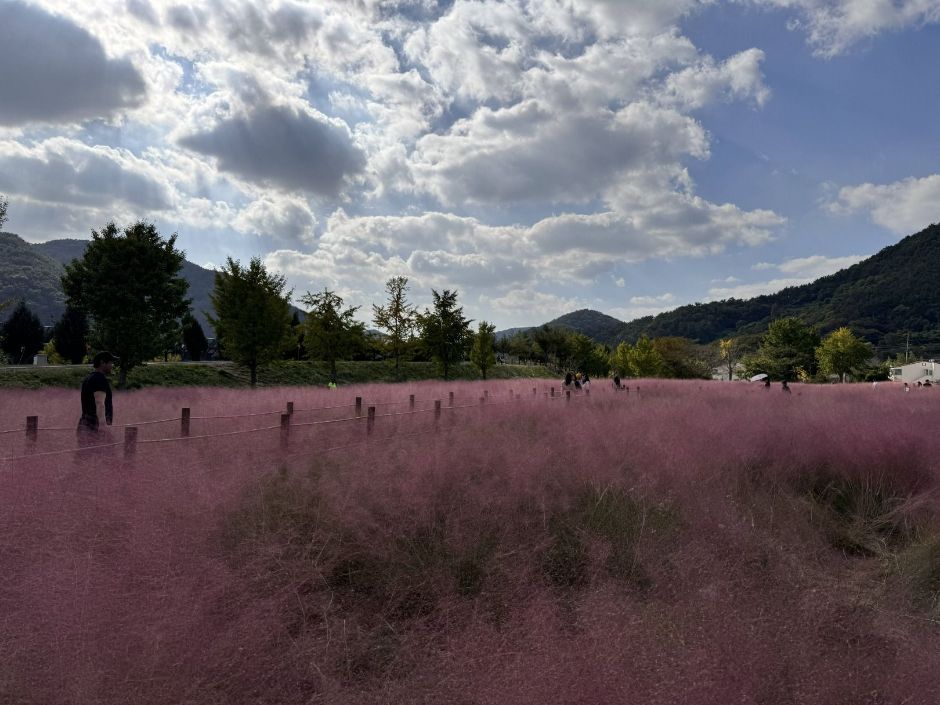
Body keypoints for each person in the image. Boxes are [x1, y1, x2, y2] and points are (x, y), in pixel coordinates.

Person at [77, 351, 117, 444]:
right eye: (110, 362)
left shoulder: (88, 378)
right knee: (103, 455)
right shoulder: (100, 379)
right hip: (95, 426)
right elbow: (99, 403)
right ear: (102, 362)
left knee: (84, 456)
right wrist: (103, 425)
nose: (112, 365)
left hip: (85, 424)